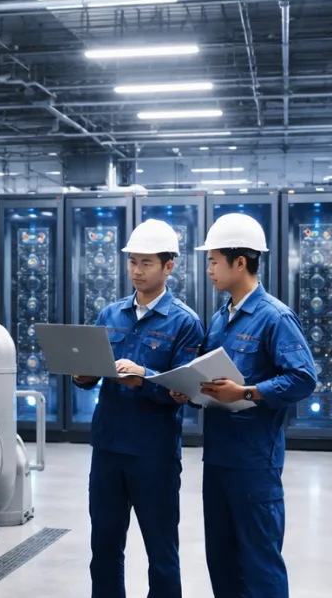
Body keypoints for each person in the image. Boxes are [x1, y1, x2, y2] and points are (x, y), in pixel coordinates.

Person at [72, 219, 205, 598]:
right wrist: (83, 375)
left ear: (169, 266)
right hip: (108, 446)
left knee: (161, 551)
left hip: (153, 453)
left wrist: (144, 378)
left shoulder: (185, 322)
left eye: (146, 263)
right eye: (132, 261)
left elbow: (187, 389)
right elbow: (91, 375)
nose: (136, 270)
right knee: (104, 546)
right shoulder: (110, 315)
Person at [191, 212, 318, 598]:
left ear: (240, 263)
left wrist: (247, 392)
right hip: (217, 458)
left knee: (260, 563)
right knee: (222, 560)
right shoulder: (220, 319)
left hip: (254, 462)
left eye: (214, 261)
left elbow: (303, 378)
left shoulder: (274, 318)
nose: (209, 270)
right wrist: (190, 389)